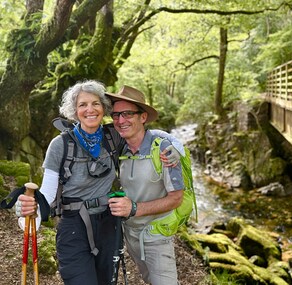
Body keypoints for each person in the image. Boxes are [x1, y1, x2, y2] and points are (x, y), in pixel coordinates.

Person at [16, 80, 182, 285]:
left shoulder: (112, 136)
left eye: (95, 103)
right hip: (73, 226)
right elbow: (47, 193)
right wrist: (33, 209)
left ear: (104, 108)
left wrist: (174, 146)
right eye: (82, 105)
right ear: (74, 111)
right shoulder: (60, 145)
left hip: (108, 224)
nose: (90, 109)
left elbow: (145, 134)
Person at [107, 86, 184, 285]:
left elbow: (176, 198)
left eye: (127, 114)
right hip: (130, 235)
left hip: (157, 236)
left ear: (143, 117)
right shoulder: (118, 147)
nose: (120, 120)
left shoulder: (164, 150)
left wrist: (134, 208)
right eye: (116, 115)